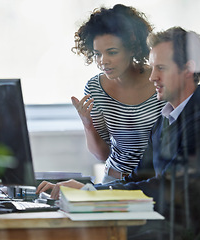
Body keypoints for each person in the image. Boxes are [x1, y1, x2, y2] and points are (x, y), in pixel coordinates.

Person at [38, 27, 200, 239]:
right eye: (152, 68)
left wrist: (92, 194)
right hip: (157, 225)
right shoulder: (166, 118)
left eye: (161, 68)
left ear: (188, 69)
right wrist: (87, 189)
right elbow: (140, 175)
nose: (152, 77)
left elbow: (169, 187)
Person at [70, 4, 166, 183]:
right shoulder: (95, 89)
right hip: (113, 181)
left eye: (112, 52)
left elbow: (186, 125)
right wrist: (87, 124)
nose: (103, 61)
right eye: (97, 54)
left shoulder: (159, 81)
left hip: (154, 183)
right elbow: (102, 154)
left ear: (132, 48)